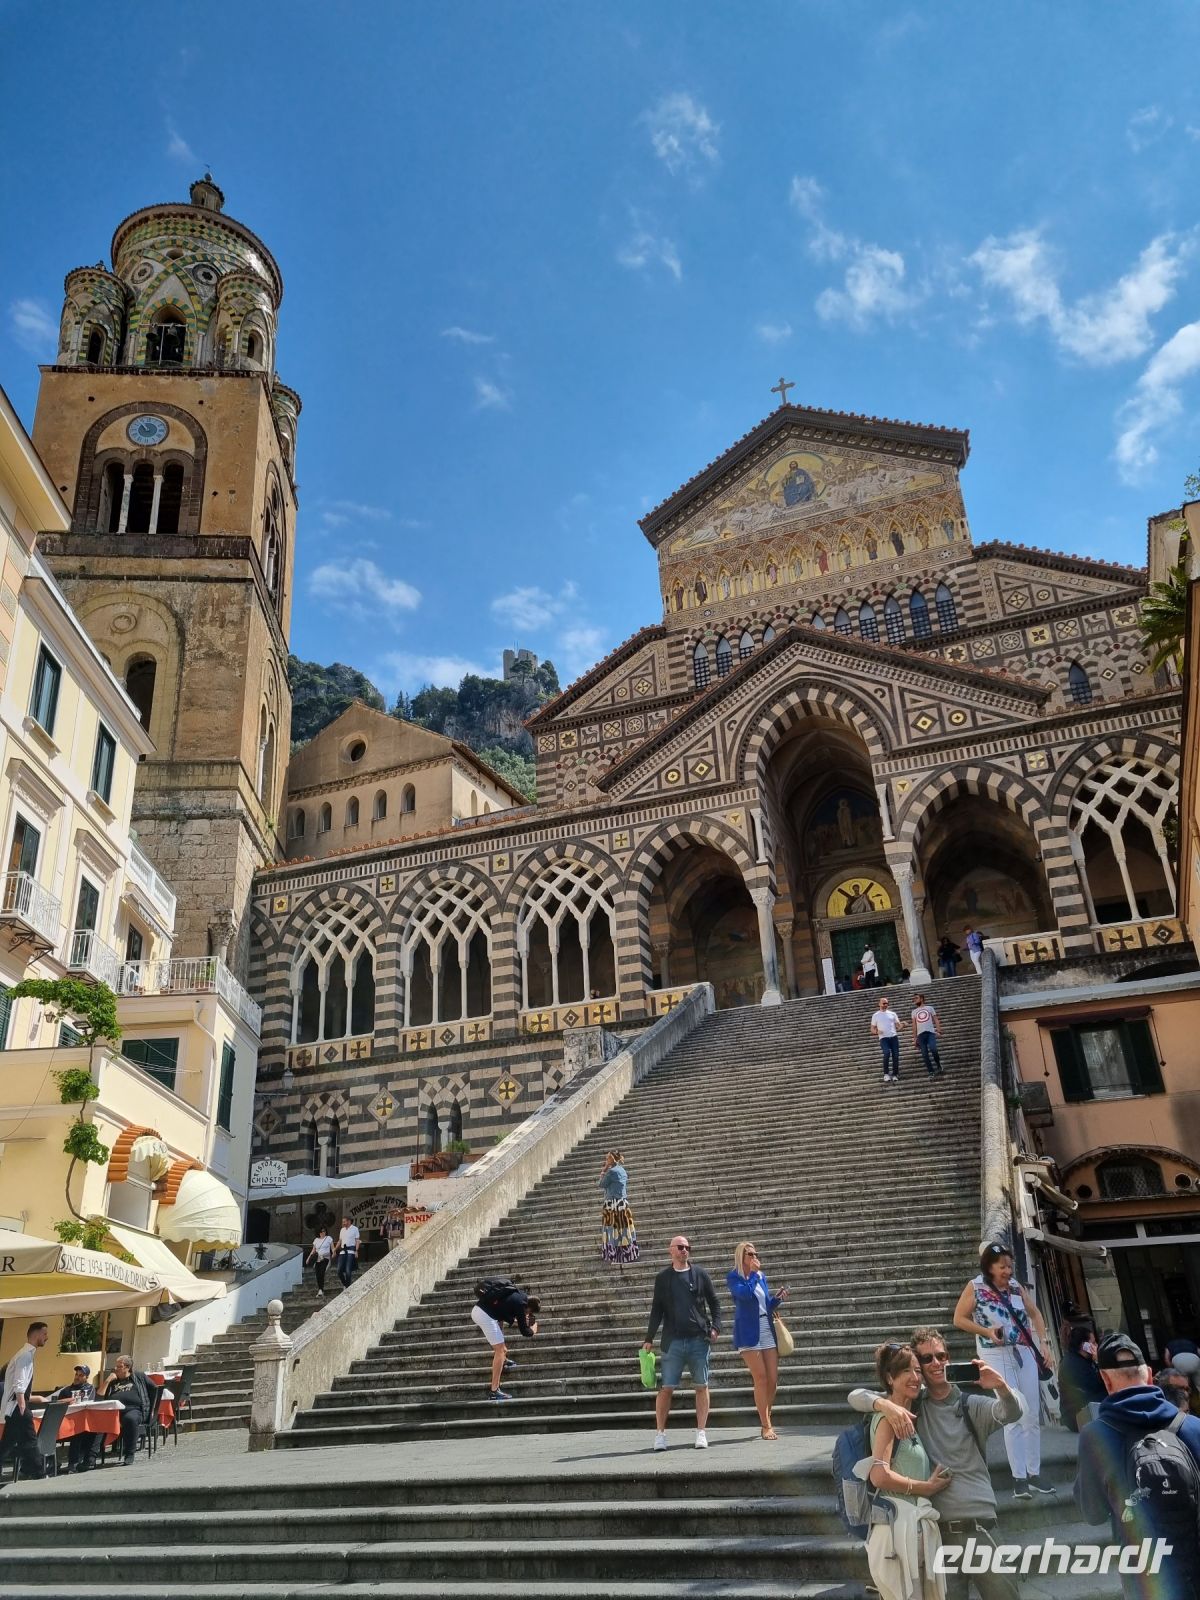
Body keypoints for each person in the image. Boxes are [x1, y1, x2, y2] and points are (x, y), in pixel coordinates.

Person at [850, 1326, 1024, 1600]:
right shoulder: (912, 1407)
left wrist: (1001, 1387)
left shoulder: (970, 1405)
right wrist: (885, 1406)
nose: (936, 1363)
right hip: (938, 1535)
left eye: (941, 1356)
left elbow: (1011, 1413)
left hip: (980, 1528)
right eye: (926, 1359)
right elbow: (855, 1396)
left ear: (948, 1358)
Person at [1075, 1331, 1200, 1600]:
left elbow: (1093, 1514)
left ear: (1105, 1379)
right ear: (1150, 1374)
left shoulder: (1095, 1436)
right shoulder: (1193, 1427)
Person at [952, 1243, 1054, 1497]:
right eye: (1002, 1267)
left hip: (1024, 1351)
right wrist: (986, 1331)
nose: (1008, 1271)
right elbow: (959, 1318)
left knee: (1032, 1412)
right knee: (1014, 1412)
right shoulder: (976, 1287)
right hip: (995, 1354)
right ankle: (1019, 1477)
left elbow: (1035, 1313)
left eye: (1010, 1266)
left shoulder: (1016, 1287)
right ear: (989, 1267)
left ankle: (1034, 1472)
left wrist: (1044, 1342)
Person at [858, 1341, 951, 1600]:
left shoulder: (906, 1415)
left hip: (911, 1532)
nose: (915, 1377)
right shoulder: (888, 1419)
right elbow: (879, 1476)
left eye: (917, 1371)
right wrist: (926, 1488)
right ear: (890, 1378)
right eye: (906, 1371)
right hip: (896, 1535)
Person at [643, 1235, 722, 1451]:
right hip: (673, 1342)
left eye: (687, 1247)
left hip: (699, 1339)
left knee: (702, 1385)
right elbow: (656, 1310)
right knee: (666, 1388)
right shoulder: (663, 1278)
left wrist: (715, 1328)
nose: (684, 1250)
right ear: (671, 1250)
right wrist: (649, 1338)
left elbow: (714, 1303)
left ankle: (701, 1432)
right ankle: (660, 1434)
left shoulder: (700, 1274)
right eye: (680, 1247)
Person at [726, 1241, 788, 1439]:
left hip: (766, 1327)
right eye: (750, 1254)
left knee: (773, 1380)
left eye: (755, 1254)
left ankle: (766, 1416)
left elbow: (766, 1304)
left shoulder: (761, 1276)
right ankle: (765, 1424)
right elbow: (744, 1295)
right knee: (760, 1378)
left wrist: (777, 1299)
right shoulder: (734, 1277)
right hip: (747, 1331)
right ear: (741, 1256)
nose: (754, 1257)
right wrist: (753, 1275)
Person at [471, 1276, 540, 1401]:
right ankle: (494, 1391)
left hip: (480, 1310)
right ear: (529, 1308)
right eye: (529, 1313)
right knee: (500, 1350)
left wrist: (520, 1318)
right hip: (485, 1316)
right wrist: (534, 1329)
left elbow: (504, 1311)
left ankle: (503, 1360)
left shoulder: (517, 1295)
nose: (527, 1315)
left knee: (502, 1348)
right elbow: (525, 1332)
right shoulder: (521, 1304)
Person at [0, 1321, 51, 1480]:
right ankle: (39, 1472)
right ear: (36, 1335)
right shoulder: (25, 1355)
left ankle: (32, 1469)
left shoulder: (24, 1354)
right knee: (29, 1439)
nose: (46, 1337)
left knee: (8, 1443)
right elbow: (19, 1382)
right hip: (17, 1405)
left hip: (14, 1406)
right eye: (44, 1334)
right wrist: (22, 1405)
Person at [100, 1355, 153, 1465]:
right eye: (115, 1366)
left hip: (133, 1410)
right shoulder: (113, 1381)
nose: (116, 1369)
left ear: (127, 1367)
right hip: (113, 1412)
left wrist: (150, 1408)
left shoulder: (139, 1377)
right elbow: (99, 1396)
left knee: (130, 1419)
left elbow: (154, 1389)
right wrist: (107, 1380)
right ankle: (90, 1458)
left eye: (119, 1366)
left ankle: (129, 1453)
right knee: (96, 1420)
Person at [1059, 1324, 1106, 1431]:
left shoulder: (1085, 1360)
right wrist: (1100, 1362)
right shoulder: (1072, 1364)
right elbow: (1096, 1385)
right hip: (1077, 1416)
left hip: (1085, 1410)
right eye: (1093, 1343)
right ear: (1084, 1345)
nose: (1096, 1345)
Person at [52, 1363, 98, 1473]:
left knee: (86, 1430)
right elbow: (56, 1404)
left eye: (81, 1375)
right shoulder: (66, 1390)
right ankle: (59, 1463)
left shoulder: (89, 1388)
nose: (77, 1377)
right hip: (65, 1421)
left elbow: (87, 1404)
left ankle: (79, 1462)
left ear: (86, 1377)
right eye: (76, 1374)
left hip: (81, 1421)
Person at [599, 1150, 639, 1265]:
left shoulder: (611, 1172)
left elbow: (601, 1184)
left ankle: (615, 1257)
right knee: (624, 1229)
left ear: (612, 1159)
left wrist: (603, 1170)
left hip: (612, 1205)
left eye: (607, 1158)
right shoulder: (622, 1170)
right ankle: (629, 1254)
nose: (606, 1160)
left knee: (613, 1230)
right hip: (623, 1203)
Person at [909, 995, 942, 1077]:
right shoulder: (914, 1012)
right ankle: (931, 1071)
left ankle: (938, 1064)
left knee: (933, 1049)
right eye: (914, 999)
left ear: (922, 999)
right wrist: (915, 1038)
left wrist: (939, 1030)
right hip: (920, 1035)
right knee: (924, 1054)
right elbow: (914, 1025)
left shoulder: (930, 1008)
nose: (914, 1000)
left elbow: (936, 1019)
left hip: (930, 1033)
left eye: (916, 998)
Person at [871, 994, 901, 1084]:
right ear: (879, 1004)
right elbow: (872, 1029)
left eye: (887, 1003)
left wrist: (903, 1024)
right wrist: (877, 1031)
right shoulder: (875, 1015)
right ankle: (886, 1074)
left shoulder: (892, 1014)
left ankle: (895, 1074)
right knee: (887, 1053)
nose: (885, 1005)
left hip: (893, 1037)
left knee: (896, 1055)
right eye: (883, 1003)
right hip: (883, 1038)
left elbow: (898, 1026)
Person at [306, 1223, 333, 1296]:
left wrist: (334, 1252)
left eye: (324, 1231)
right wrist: (308, 1258)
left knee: (321, 1272)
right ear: (318, 1232)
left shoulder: (329, 1238)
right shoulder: (316, 1240)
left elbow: (332, 1248)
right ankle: (320, 1290)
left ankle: (321, 1289)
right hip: (317, 1259)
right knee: (318, 1275)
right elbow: (313, 1250)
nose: (323, 1233)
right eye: (321, 1231)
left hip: (325, 1258)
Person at [335, 1214, 360, 1288]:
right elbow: (340, 1241)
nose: (343, 1223)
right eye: (343, 1222)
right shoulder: (342, 1230)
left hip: (351, 1251)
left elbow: (357, 1241)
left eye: (344, 1222)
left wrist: (356, 1250)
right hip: (342, 1251)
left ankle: (347, 1287)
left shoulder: (355, 1229)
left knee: (348, 1270)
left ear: (349, 1221)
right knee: (339, 1270)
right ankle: (345, 1284)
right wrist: (335, 1249)